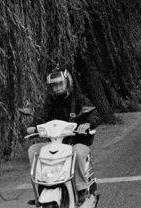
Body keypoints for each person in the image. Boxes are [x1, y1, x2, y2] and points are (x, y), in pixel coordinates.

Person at [28, 69, 98, 198]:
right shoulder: (49, 101)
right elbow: (41, 115)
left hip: (76, 141)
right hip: (56, 143)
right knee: (34, 150)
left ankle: (81, 188)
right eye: (54, 85)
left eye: (60, 83)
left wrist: (88, 123)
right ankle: (40, 186)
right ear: (50, 87)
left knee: (78, 151)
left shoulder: (78, 98)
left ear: (67, 83)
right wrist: (33, 126)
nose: (58, 87)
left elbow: (93, 113)